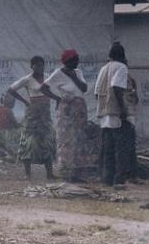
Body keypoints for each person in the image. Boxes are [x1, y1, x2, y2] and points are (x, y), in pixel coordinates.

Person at [8, 56, 59, 180]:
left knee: (47, 141)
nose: (39, 68)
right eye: (37, 65)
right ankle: (28, 174)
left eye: (41, 65)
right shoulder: (27, 79)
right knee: (29, 142)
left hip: (45, 114)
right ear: (32, 66)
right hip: (32, 114)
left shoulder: (48, 77)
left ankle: (49, 173)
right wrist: (25, 101)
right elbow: (11, 89)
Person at [46, 50, 92, 182]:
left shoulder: (78, 72)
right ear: (67, 61)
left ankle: (77, 173)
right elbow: (44, 88)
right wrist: (58, 99)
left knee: (80, 139)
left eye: (77, 59)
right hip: (66, 108)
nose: (77, 62)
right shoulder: (58, 73)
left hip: (79, 108)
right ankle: (65, 173)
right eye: (74, 59)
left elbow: (83, 88)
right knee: (65, 140)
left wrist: (74, 77)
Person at [94, 43, 131, 188]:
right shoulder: (121, 67)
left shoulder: (104, 68)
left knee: (107, 147)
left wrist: (102, 106)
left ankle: (106, 178)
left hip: (103, 113)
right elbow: (116, 86)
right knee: (120, 147)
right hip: (115, 111)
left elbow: (96, 92)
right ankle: (119, 179)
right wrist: (122, 108)